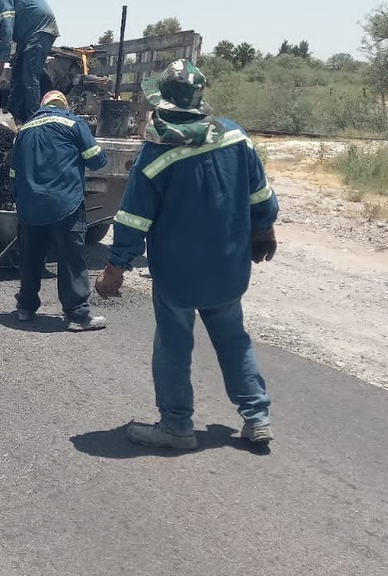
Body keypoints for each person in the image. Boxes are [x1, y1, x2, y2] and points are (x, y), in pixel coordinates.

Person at [96, 59, 280, 450]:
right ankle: (256, 417)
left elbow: (133, 219)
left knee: (173, 346)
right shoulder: (235, 137)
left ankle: (177, 426)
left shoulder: (155, 156)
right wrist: (264, 227)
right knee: (234, 340)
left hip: (178, 274)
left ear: (163, 104)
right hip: (229, 266)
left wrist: (116, 267)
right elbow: (260, 194)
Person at [9, 90, 108, 332]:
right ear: (64, 105)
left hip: (30, 205)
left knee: (30, 258)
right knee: (70, 258)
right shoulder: (73, 123)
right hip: (65, 203)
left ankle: (25, 308)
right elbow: (97, 160)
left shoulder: (23, 131)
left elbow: (13, 173)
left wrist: (20, 201)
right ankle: (78, 315)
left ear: (42, 106)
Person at [0, 0, 59, 124]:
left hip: (40, 29)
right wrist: (1, 32)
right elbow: (12, 23)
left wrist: (2, 59)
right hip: (29, 32)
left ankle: (34, 119)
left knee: (29, 74)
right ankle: (10, 113)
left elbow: (8, 25)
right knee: (18, 72)